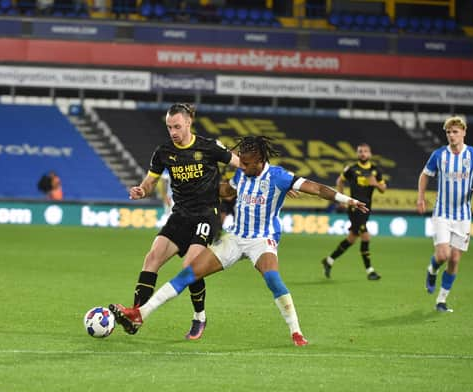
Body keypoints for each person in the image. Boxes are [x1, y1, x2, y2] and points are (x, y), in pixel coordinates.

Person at [110, 136, 369, 346]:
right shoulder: (242, 174)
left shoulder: (278, 177)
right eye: (241, 163)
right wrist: (204, 183)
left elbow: (317, 188)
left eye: (247, 163)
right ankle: (139, 314)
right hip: (235, 237)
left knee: (272, 278)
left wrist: (348, 201)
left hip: (261, 239)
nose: (242, 167)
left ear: (261, 160)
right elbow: (227, 190)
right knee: (189, 273)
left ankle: (296, 333)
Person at [110, 103, 239, 340]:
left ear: (189, 122)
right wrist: (141, 190)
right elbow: (150, 182)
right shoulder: (163, 152)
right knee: (152, 257)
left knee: (190, 265)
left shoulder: (209, 147)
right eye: (169, 127)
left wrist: (272, 180)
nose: (173, 132)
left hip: (206, 215)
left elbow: (241, 164)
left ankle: (199, 316)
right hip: (180, 215)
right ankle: (136, 315)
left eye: (177, 126)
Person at [416, 116, 473, 312]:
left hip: (463, 215)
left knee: (455, 259)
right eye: (448, 132)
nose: (451, 135)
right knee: (442, 255)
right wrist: (421, 197)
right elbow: (425, 175)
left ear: (463, 133)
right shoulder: (439, 155)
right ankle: (432, 270)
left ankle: (441, 300)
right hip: (442, 213)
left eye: (455, 131)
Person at [321, 143, 386, 281]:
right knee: (366, 237)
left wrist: (376, 184)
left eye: (365, 151)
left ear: (370, 154)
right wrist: (342, 199)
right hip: (355, 208)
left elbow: (383, 188)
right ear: (357, 154)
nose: (363, 153)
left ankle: (329, 260)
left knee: (351, 238)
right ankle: (370, 271)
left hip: (367, 208)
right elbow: (339, 181)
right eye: (360, 151)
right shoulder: (351, 169)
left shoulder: (375, 170)